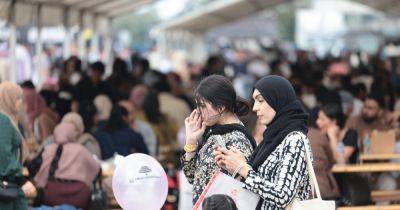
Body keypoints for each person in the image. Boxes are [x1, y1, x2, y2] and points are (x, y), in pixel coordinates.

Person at [215, 75, 311, 209]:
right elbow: (261, 185)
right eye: (254, 101)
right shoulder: (272, 138)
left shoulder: (295, 139)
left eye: (260, 100)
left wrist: (243, 168)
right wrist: (237, 164)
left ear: (278, 100)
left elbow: (282, 196)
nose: (255, 108)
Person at [182, 75, 256, 204]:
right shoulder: (214, 133)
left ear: (221, 108)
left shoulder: (237, 141)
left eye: (202, 105)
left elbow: (235, 192)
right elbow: (192, 177)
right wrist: (191, 141)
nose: (198, 111)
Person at [34, 123, 100, 209]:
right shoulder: (80, 150)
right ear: (73, 134)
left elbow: (34, 167)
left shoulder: (48, 149)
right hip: (79, 197)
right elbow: (97, 169)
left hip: (51, 196)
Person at [0, 82, 33, 210]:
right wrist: (21, 179)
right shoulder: (3, 121)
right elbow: (3, 156)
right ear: (9, 98)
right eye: (18, 98)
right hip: (6, 189)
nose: (21, 102)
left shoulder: (8, 119)